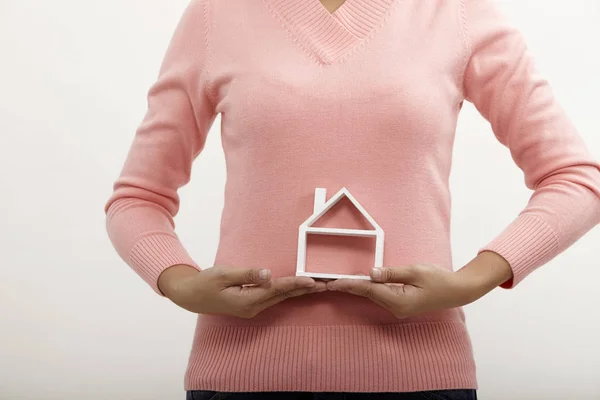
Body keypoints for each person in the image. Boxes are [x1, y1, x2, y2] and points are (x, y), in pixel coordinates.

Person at [103, 0, 600, 398]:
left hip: (419, 377)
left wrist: (470, 282)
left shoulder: (457, 12)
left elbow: (576, 178)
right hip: (239, 376)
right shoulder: (217, 14)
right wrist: (178, 282)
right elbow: (138, 196)